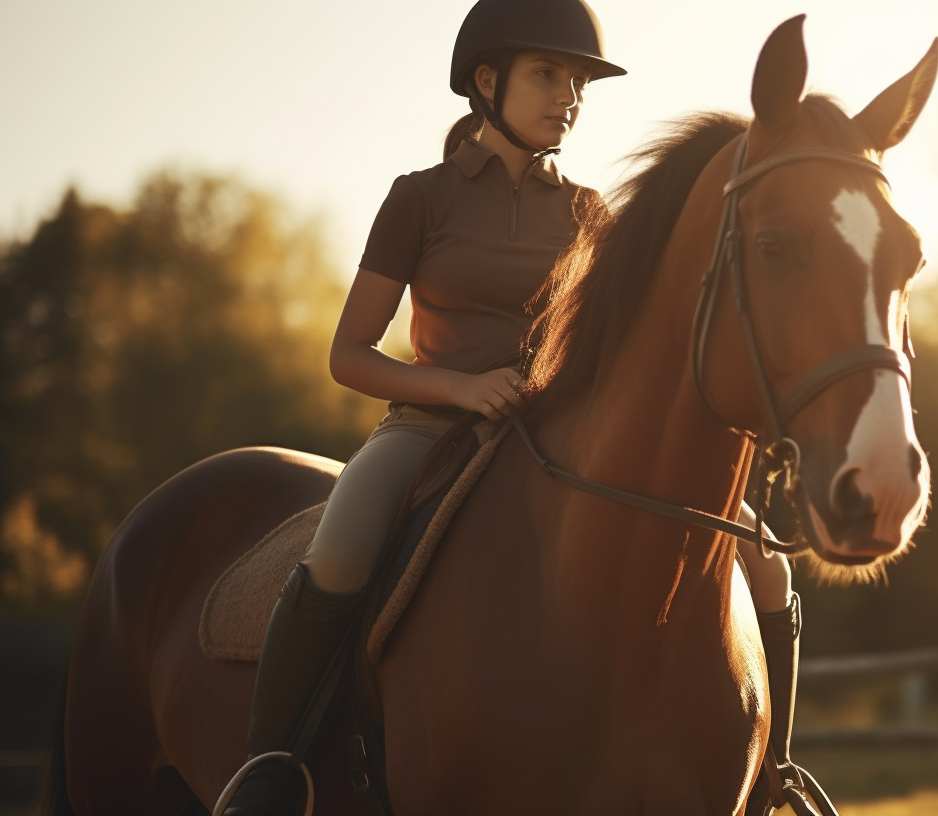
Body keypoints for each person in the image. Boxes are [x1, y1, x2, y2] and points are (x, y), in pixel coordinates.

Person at [220, 2, 802, 813]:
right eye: (548, 74)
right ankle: (271, 770)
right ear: (485, 82)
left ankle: (777, 771)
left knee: (766, 562)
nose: (568, 95)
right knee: (343, 549)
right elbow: (347, 356)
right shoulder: (420, 200)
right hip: (429, 430)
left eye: (577, 82)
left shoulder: (592, 216)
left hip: (563, 436)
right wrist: (459, 388)